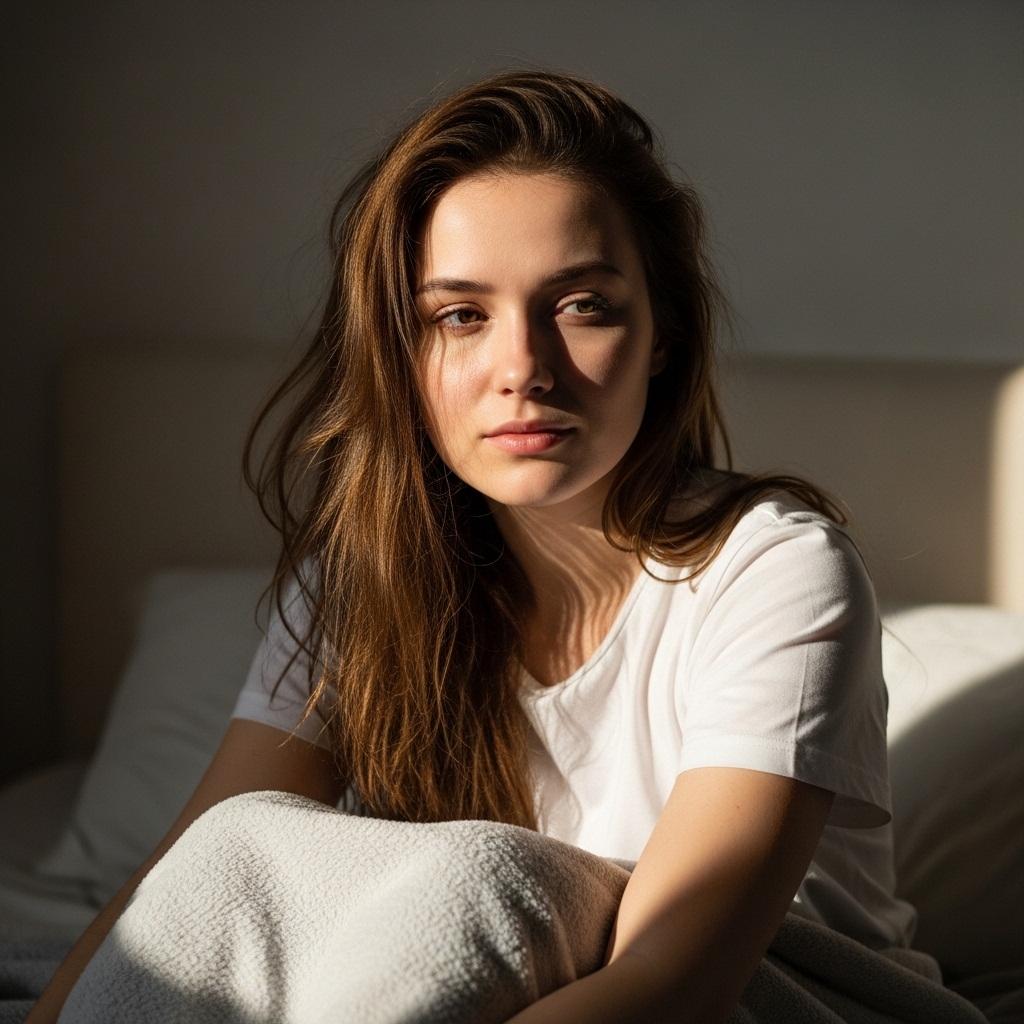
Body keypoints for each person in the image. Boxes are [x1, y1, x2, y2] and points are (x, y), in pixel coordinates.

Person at [28, 70, 915, 1024]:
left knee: (475, 877)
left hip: (762, 996)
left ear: (663, 334)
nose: (522, 370)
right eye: (460, 316)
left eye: (582, 304)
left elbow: (674, 981)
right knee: (246, 846)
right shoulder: (361, 587)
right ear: (402, 355)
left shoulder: (775, 572)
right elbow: (197, 875)